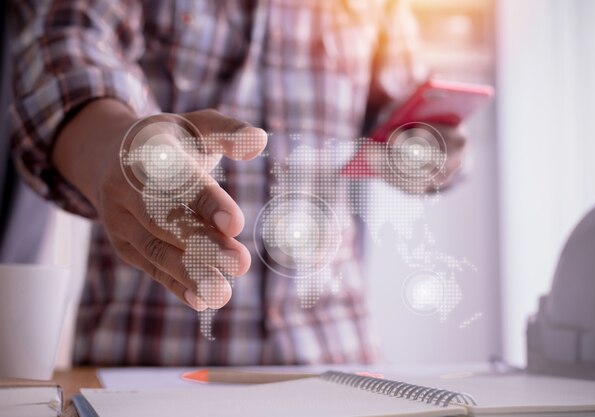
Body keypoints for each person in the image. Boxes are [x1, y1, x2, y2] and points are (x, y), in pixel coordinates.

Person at [9, 0, 466, 366]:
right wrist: (117, 149)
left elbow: (405, 120)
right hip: (149, 365)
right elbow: (66, 52)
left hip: (336, 356)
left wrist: (427, 151)